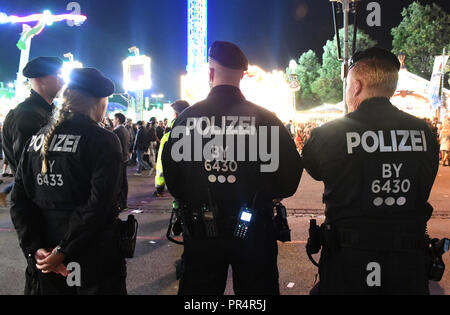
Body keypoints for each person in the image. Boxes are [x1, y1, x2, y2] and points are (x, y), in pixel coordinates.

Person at [162, 41, 302, 295]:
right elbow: (289, 178)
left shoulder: (187, 119)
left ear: (211, 73)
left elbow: (173, 178)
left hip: (201, 229)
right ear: (243, 74)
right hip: (254, 229)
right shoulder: (267, 120)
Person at [302, 47, 440, 295]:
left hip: (347, 263)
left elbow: (313, 169)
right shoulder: (426, 133)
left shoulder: (328, 134)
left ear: (356, 86)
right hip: (408, 264)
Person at [10, 68, 127, 295]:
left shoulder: (38, 138)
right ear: (98, 101)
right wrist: (63, 250)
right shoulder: (102, 140)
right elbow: (101, 204)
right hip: (91, 256)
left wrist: (35, 249)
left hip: (45, 259)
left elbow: (18, 200)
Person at [2, 57, 64, 292]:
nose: (61, 80)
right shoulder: (28, 116)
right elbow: (28, 170)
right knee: (43, 279)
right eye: (56, 75)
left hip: (47, 208)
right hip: (38, 210)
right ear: (39, 80)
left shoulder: (46, 111)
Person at [154, 100, 190, 197]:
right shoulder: (200, 132)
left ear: (175, 114)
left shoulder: (168, 137)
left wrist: (159, 186)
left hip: (177, 184)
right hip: (199, 185)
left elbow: (162, 164)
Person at [113, 113, 131, 211]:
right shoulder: (125, 130)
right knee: (124, 181)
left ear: (118, 119)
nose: (113, 121)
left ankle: (121, 202)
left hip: (120, 158)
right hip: (126, 157)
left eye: (114, 119)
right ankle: (123, 202)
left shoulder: (117, 131)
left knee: (119, 181)